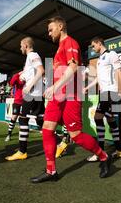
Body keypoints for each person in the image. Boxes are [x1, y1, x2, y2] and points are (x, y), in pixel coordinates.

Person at [30, 16, 112, 183]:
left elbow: (73, 67)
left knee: (76, 136)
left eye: (51, 29)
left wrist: (55, 86)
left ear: (61, 26)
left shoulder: (70, 43)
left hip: (71, 96)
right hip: (58, 96)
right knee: (47, 129)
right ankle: (51, 171)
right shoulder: (60, 47)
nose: (49, 33)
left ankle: (104, 157)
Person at [82, 37, 121, 161]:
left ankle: (99, 152)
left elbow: (119, 71)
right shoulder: (99, 59)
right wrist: (87, 87)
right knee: (111, 120)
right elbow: (98, 78)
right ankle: (119, 150)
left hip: (110, 91)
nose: (92, 48)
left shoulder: (111, 54)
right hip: (104, 93)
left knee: (98, 117)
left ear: (99, 43)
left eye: (93, 46)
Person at [5, 37, 45, 161]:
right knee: (41, 121)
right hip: (37, 93)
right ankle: (54, 144)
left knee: (23, 120)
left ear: (26, 45)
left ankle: (22, 151)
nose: (20, 48)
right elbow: (34, 72)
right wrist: (24, 77)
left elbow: (41, 70)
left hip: (32, 93)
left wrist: (29, 86)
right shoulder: (30, 58)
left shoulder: (32, 55)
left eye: (21, 45)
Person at [5, 71, 24, 142]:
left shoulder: (30, 76)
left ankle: (22, 135)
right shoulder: (18, 76)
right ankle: (9, 134)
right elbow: (11, 83)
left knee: (23, 118)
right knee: (14, 117)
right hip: (17, 101)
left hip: (26, 101)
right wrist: (18, 74)